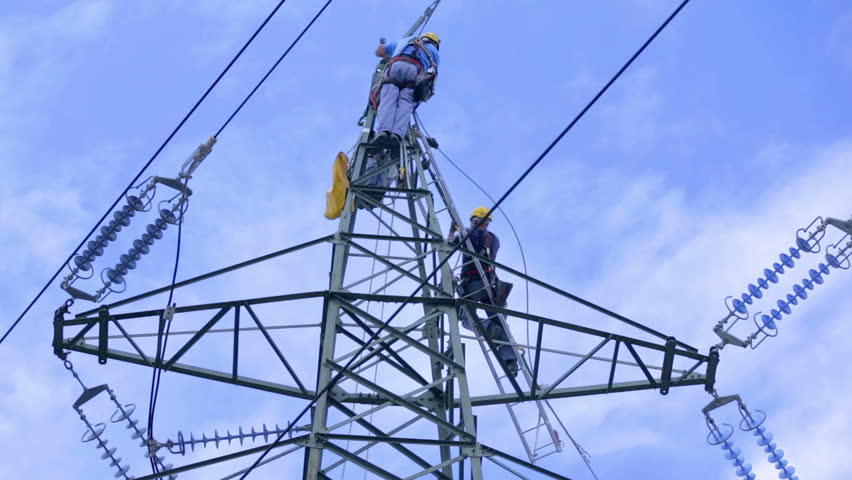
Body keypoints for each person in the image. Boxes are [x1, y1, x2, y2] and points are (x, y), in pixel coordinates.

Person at [448, 207, 518, 378]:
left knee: (467, 320)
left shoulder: (468, 233)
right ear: (487, 223)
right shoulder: (494, 239)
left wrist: (453, 231)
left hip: (472, 284)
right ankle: (511, 361)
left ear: (474, 221)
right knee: (500, 322)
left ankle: (487, 327)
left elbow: (448, 246)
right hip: (491, 286)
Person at [372, 32, 441, 145]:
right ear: (435, 44)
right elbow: (433, 76)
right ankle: (397, 134)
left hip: (396, 65)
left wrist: (389, 51)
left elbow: (379, 52)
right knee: (406, 103)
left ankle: (383, 131)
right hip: (416, 73)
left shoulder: (407, 40)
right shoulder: (435, 53)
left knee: (388, 99)